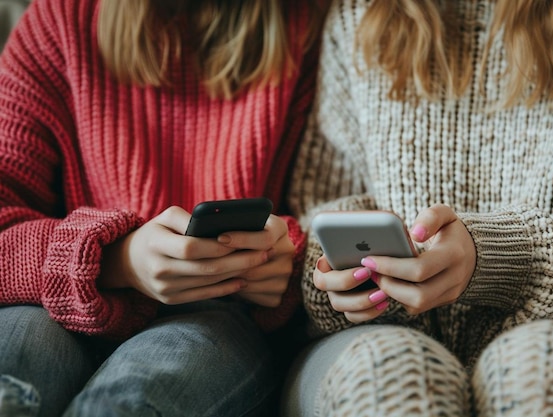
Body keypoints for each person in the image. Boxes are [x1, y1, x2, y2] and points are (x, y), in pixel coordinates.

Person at [282, 0, 553, 415]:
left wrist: (506, 257)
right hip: (375, 334)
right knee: (389, 377)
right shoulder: (359, 15)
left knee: (545, 368)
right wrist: (338, 279)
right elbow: (321, 209)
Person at [0, 0, 324, 415]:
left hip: (221, 316)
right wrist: (116, 260)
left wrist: (287, 264)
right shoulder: (58, 23)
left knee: (131, 403)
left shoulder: (304, 29)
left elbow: (329, 214)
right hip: (53, 307)